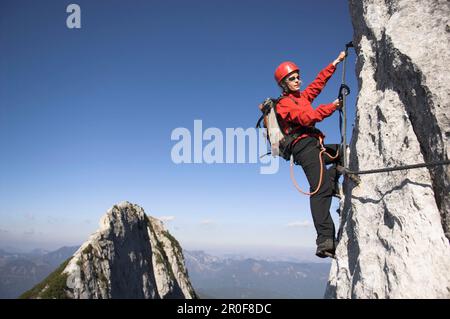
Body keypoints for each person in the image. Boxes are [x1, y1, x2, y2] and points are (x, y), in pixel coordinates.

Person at [273, 52, 346, 258]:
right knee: (319, 189)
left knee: (343, 152)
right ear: (283, 84)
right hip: (303, 147)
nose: (297, 80)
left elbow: (317, 84)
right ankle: (324, 240)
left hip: (315, 143)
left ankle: (334, 177)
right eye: (292, 78)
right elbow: (306, 118)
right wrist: (331, 107)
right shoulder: (283, 104)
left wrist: (335, 62)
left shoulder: (302, 97)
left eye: (297, 77)